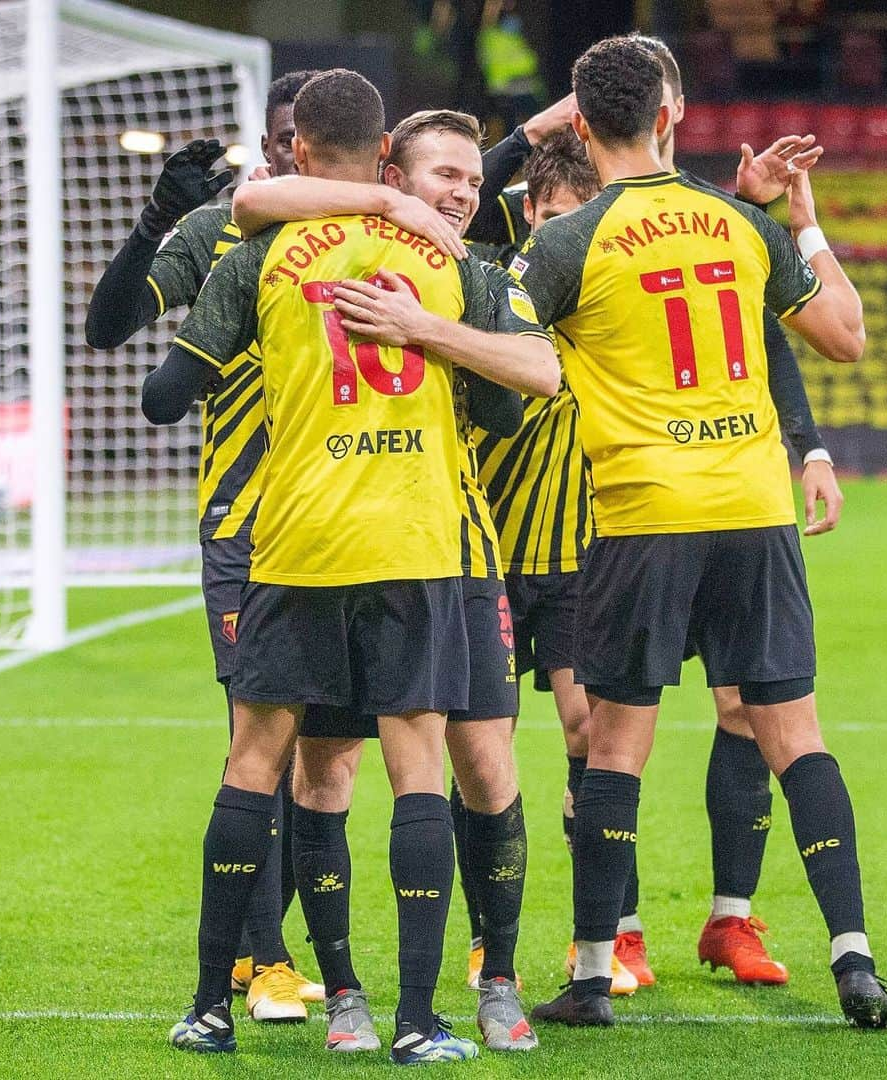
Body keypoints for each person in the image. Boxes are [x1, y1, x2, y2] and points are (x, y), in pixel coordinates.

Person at [151, 69, 558, 1061]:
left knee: (263, 768)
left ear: (298, 153)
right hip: (416, 541)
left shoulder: (262, 253)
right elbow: (524, 395)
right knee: (421, 771)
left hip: (293, 544)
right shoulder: (445, 259)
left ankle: (214, 1005)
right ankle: (419, 1021)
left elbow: (168, 392)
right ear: (387, 159)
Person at [509, 36, 887, 1030]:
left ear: (582, 127)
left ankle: (594, 974)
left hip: (644, 513)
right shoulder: (742, 225)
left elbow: (508, 347)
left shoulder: (568, 241)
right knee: (794, 735)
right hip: (753, 509)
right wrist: (801, 225)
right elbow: (845, 337)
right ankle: (854, 958)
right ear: (673, 116)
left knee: (617, 749)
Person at [84, 70, 331, 1022]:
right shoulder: (214, 235)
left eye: (301, 139)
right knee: (259, 744)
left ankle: (248, 952)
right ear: (267, 144)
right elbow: (109, 329)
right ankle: (267, 960)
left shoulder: (371, 240)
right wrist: (154, 219)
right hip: (244, 527)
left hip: (348, 522)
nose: (285, 155)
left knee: (325, 761)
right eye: (275, 139)